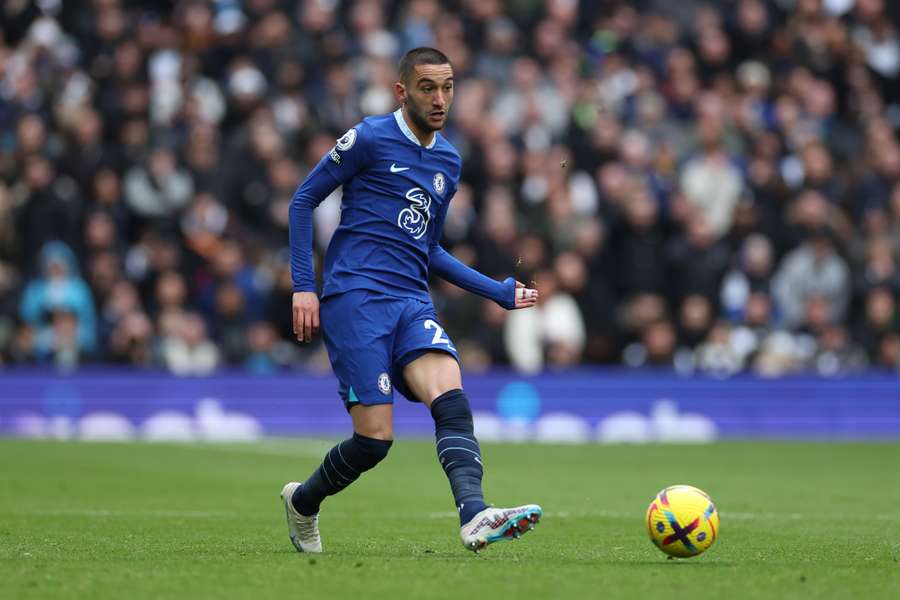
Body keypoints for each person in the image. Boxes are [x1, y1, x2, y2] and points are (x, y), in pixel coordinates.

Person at [282, 47, 542, 554]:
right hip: (354, 298)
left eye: (447, 86)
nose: (440, 97)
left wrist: (497, 291)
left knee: (451, 395)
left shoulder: (448, 159)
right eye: (428, 87)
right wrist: (303, 286)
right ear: (402, 91)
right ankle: (303, 503)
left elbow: (429, 249)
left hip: (409, 300)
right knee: (374, 442)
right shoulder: (369, 138)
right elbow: (303, 199)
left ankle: (474, 513)